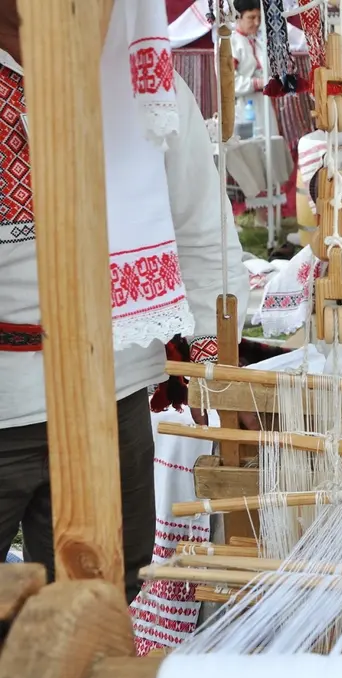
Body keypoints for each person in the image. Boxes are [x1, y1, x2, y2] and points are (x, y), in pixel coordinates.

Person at [0, 0, 250, 602]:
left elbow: (201, 231)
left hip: (108, 391)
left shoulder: (146, 82)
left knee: (107, 592)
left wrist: (219, 367)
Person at [230, 0, 279, 138]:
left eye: (259, 18)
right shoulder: (230, 43)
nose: (257, 22)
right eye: (251, 17)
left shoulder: (259, 42)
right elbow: (228, 83)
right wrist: (258, 83)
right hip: (242, 106)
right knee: (250, 147)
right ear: (238, 17)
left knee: (270, 146)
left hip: (263, 105)